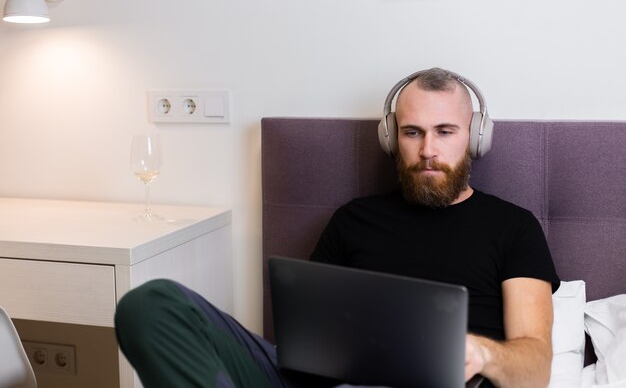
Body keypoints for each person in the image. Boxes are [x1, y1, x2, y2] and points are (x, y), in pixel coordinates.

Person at [115, 67, 560, 388]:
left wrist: (482, 353)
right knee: (150, 303)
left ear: (475, 137)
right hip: (313, 380)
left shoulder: (512, 227)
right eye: (412, 132)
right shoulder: (353, 219)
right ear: (390, 138)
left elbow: (536, 367)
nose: (428, 150)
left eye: (445, 131)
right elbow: (305, 338)